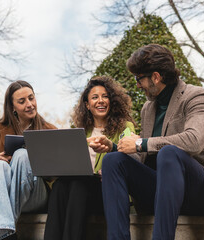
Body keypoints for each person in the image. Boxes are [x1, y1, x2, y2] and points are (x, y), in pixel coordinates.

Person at [89, 44, 204, 240]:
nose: (137, 84)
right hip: (160, 191)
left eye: (139, 78)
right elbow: (145, 154)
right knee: (112, 161)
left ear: (156, 77)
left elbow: (194, 140)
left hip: (197, 192)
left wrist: (141, 143)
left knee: (169, 153)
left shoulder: (196, 96)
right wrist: (115, 147)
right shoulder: (148, 108)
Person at [43, 76, 135, 240]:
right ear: (87, 104)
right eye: (95, 97)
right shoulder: (80, 131)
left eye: (105, 96)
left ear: (112, 101)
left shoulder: (125, 127)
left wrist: (108, 169)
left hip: (106, 191)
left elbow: (130, 154)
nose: (101, 101)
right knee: (59, 187)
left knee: (79, 184)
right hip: (78, 191)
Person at [0, 80, 57, 240]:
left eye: (31, 98)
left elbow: (55, 175)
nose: (29, 104)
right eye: (22, 101)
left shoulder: (49, 130)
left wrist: (37, 162)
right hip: (2, 192)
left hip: (35, 194)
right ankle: (5, 235)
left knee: (21, 155)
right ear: (12, 107)